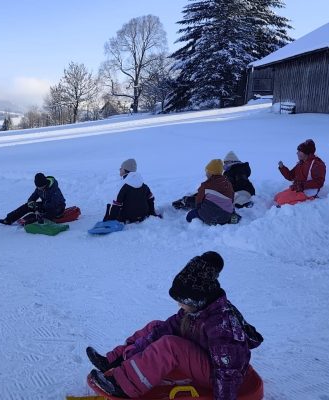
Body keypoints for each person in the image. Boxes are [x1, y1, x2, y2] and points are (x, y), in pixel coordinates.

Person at [87, 251, 263, 400]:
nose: (179, 306)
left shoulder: (222, 325)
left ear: (196, 300)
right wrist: (131, 354)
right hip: (204, 357)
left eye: (182, 302)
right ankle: (114, 360)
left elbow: (228, 370)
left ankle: (125, 386)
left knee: (170, 346)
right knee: (155, 326)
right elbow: (165, 329)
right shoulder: (195, 310)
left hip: (218, 375)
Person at [0, 173, 66, 225]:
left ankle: (30, 221)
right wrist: (31, 203)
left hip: (57, 208)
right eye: (38, 187)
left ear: (45, 183)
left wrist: (37, 209)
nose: (39, 188)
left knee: (43, 215)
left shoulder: (54, 189)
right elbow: (32, 197)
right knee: (27, 205)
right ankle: (8, 219)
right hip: (45, 205)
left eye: (40, 187)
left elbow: (53, 204)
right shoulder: (39, 188)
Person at [274, 139, 327, 206]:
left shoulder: (317, 164)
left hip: (308, 192)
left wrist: (301, 185)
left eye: (299, 151)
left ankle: (308, 201)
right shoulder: (301, 163)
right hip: (298, 189)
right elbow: (290, 176)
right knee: (277, 197)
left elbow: (319, 182)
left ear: (306, 152)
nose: (297, 153)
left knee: (281, 202)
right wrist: (282, 168)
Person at [103, 158, 157, 223]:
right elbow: (151, 198)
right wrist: (152, 213)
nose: (119, 169)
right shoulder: (143, 184)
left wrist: (111, 219)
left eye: (121, 168)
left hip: (127, 217)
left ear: (126, 170)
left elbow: (116, 204)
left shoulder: (124, 185)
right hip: (144, 214)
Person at [185, 159, 236, 225]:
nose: (206, 173)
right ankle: (231, 217)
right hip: (227, 216)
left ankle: (191, 224)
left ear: (212, 173)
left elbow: (198, 201)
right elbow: (232, 198)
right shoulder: (227, 183)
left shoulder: (206, 185)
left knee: (190, 215)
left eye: (207, 171)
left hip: (211, 217)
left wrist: (198, 209)